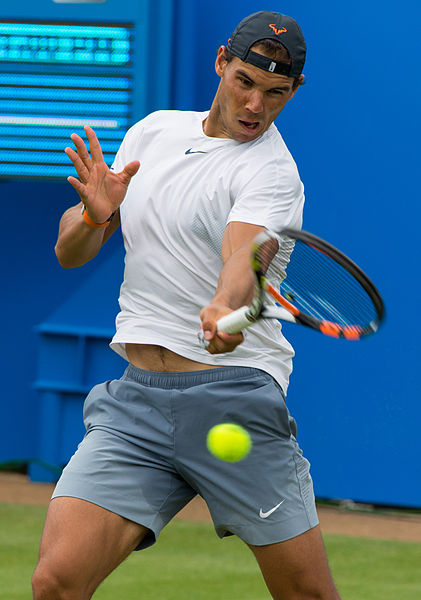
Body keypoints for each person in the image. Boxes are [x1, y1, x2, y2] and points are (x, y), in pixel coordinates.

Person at [32, 11, 341, 600]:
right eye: (245, 81)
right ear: (221, 62)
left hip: (233, 401)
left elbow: (242, 261)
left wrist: (225, 309)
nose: (256, 105)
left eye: (276, 94)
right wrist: (95, 214)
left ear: (293, 92)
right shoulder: (153, 133)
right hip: (137, 402)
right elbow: (71, 252)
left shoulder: (274, 175)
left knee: (306, 594)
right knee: (55, 582)